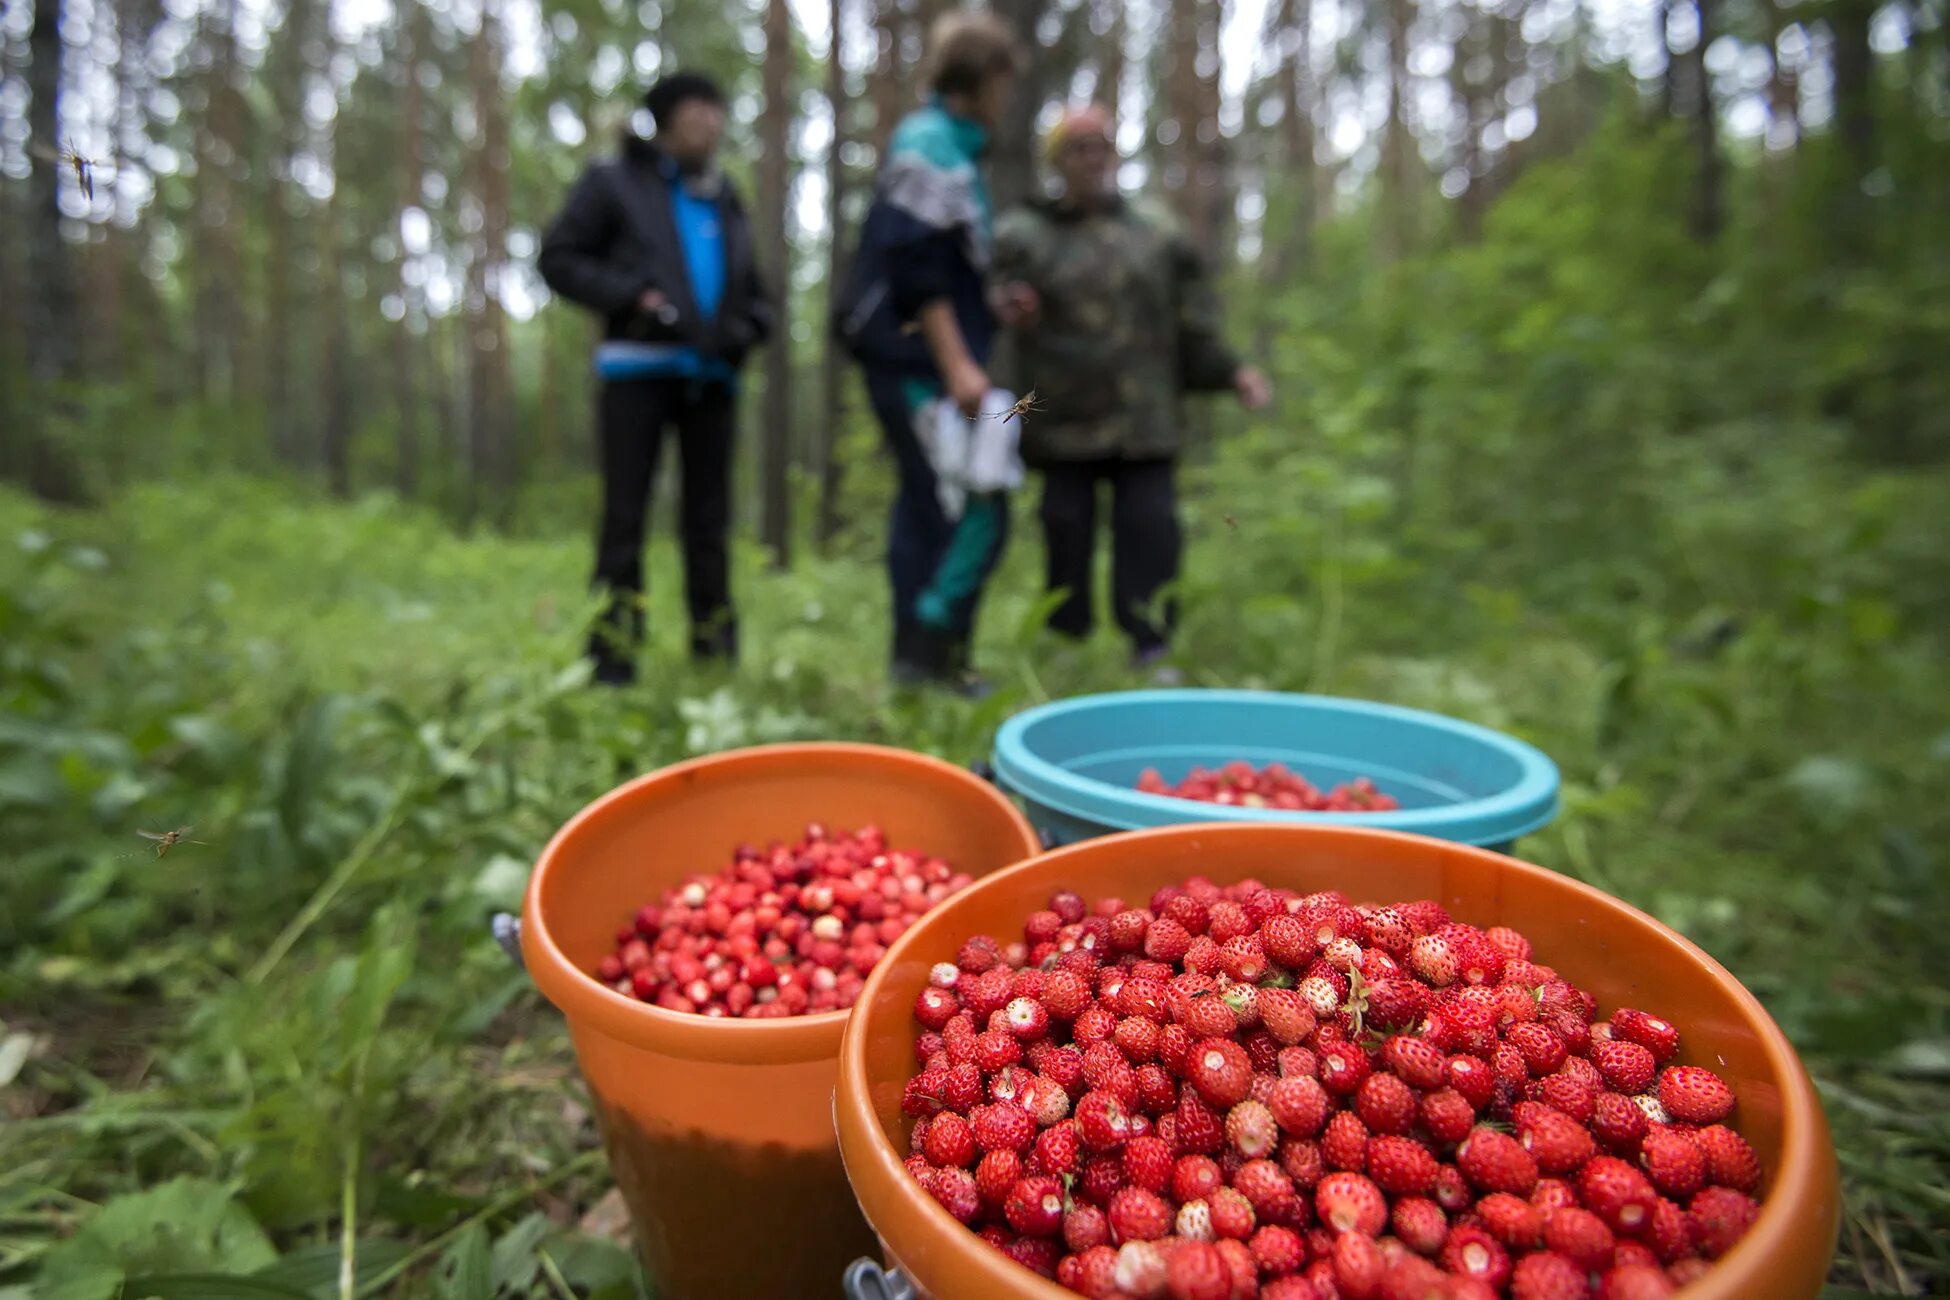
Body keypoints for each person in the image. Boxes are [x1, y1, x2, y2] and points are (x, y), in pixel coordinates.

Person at [991, 105, 1271, 674]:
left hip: (1145, 420)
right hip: (1062, 418)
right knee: (1065, 529)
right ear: (1057, 160)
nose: (1092, 158)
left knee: (1150, 530)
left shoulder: (1157, 233)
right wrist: (1009, 305)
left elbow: (1192, 320)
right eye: (1078, 147)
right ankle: (1065, 648)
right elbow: (991, 291)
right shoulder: (1023, 234)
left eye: (1101, 146)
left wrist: (1231, 371)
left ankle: (1151, 647)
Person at [537, 72, 775, 686]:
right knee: (625, 517)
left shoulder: (726, 197)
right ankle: (612, 660)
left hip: (712, 380)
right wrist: (633, 299)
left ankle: (714, 656)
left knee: (710, 522)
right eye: (696, 109)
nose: (710, 122)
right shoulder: (615, 182)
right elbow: (560, 258)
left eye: (716, 109)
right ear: (667, 119)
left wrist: (747, 328)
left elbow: (755, 291)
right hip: (636, 374)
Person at [836, 12, 1021, 691]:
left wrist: (993, 310)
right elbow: (915, 267)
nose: (1009, 96)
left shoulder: (955, 149)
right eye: (1004, 79)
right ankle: (923, 657)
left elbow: (943, 264)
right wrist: (959, 364)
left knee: (940, 503)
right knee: (965, 506)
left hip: (930, 361)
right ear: (982, 76)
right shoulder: (929, 143)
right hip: (916, 366)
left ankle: (933, 661)